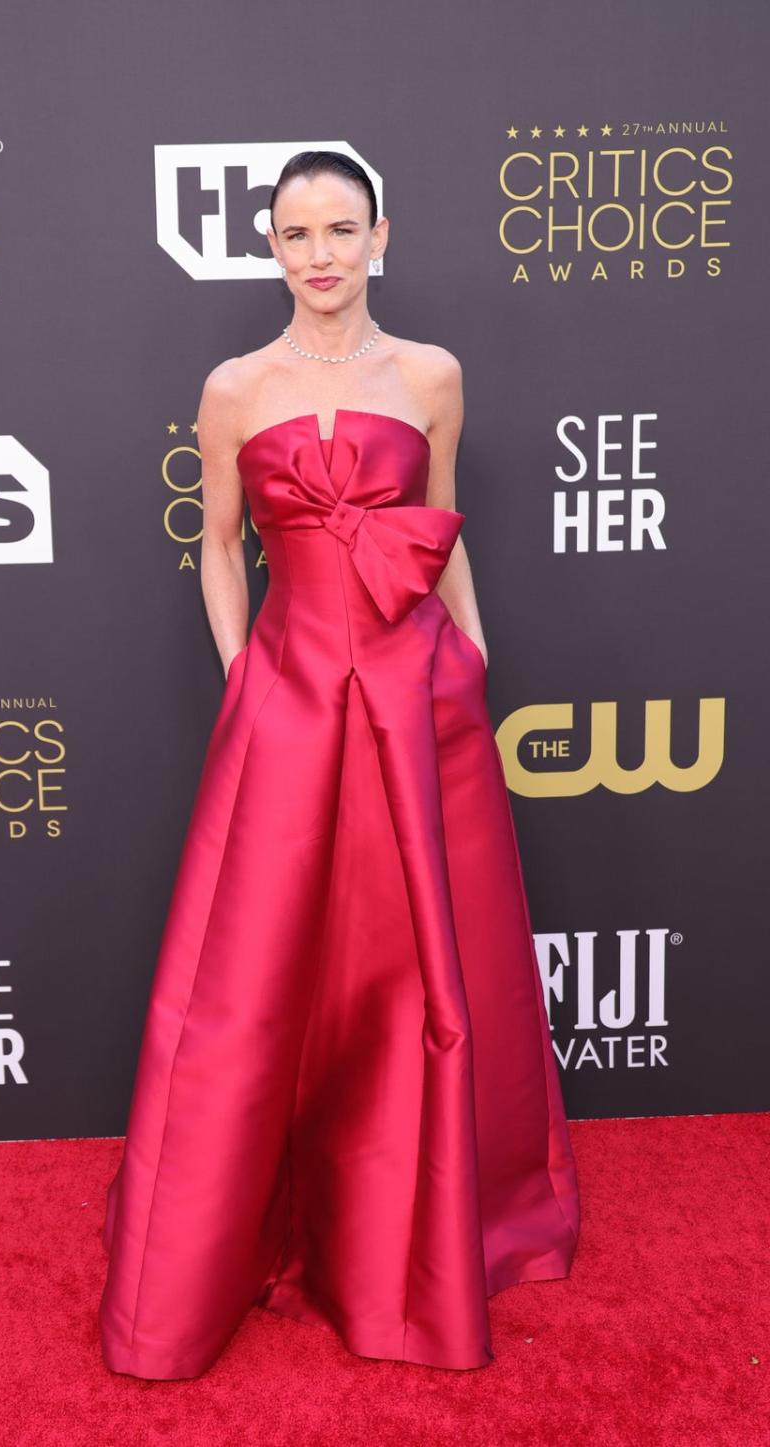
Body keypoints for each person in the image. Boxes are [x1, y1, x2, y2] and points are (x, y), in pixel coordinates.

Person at [98, 149, 580, 1380]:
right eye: (295, 232)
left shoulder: (431, 376)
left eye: (340, 227)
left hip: (419, 706)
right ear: (271, 246)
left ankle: (417, 1236)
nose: (319, 253)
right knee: (258, 978)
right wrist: (245, 672)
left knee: (418, 966)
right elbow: (216, 546)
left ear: (380, 234)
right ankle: (242, 1233)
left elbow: (441, 531)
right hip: (291, 699)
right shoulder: (232, 387)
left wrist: (473, 654)